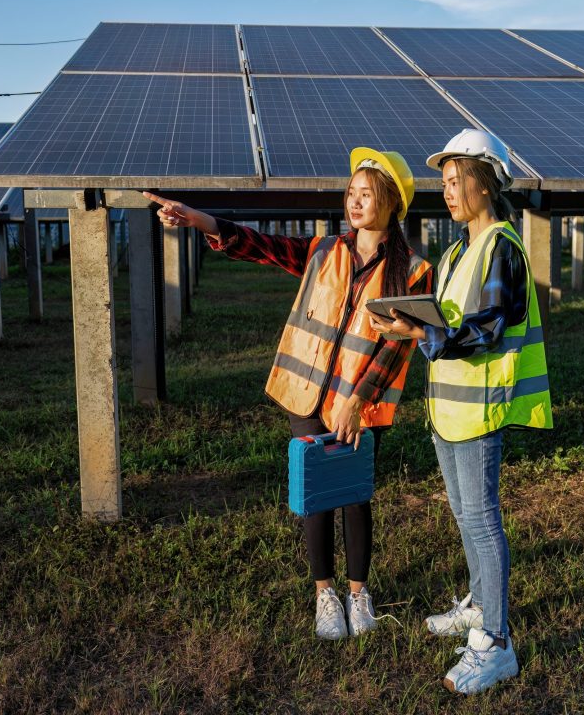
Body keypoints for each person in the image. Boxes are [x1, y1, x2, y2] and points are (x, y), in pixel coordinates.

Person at [143, 147, 433, 641]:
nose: (355, 201)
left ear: (391, 204)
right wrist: (202, 221)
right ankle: (326, 594)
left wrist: (356, 402)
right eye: (352, 193)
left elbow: (394, 350)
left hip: (359, 406)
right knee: (318, 494)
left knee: (356, 497)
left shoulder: (413, 270)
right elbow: (261, 245)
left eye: (367, 194)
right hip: (306, 396)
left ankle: (359, 594)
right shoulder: (324, 251)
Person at [368, 129, 552, 693]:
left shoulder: (501, 247)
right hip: (447, 411)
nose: (447, 192)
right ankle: (478, 605)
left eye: (456, 181)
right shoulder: (455, 251)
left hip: (478, 412)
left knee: (482, 519)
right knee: (465, 517)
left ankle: (495, 644)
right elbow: (445, 321)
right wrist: (411, 323)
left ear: (484, 183)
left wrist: (422, 331)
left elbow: (487, 326)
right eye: (443, 183)